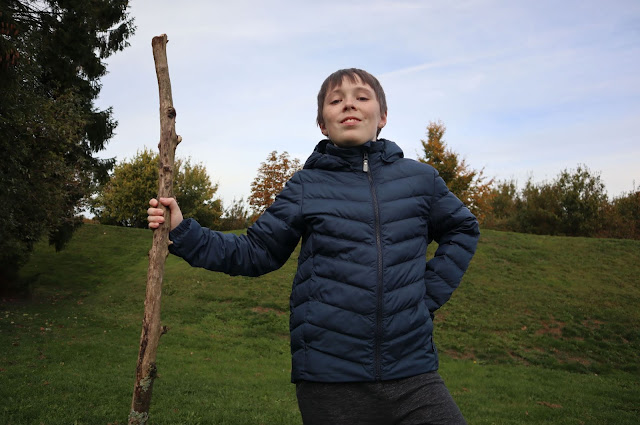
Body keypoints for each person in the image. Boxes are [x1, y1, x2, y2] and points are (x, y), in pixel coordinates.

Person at [148, 68, 479, 424]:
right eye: (335, 101)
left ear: (382, 115)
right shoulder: (307, 185)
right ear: (322, 123)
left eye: (361, 97)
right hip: (329, 376)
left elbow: (463, 228)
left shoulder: (421, 180)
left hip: (413, 372)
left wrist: (425, 294)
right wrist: (183, 231)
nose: (348, 104)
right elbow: (257, 251)